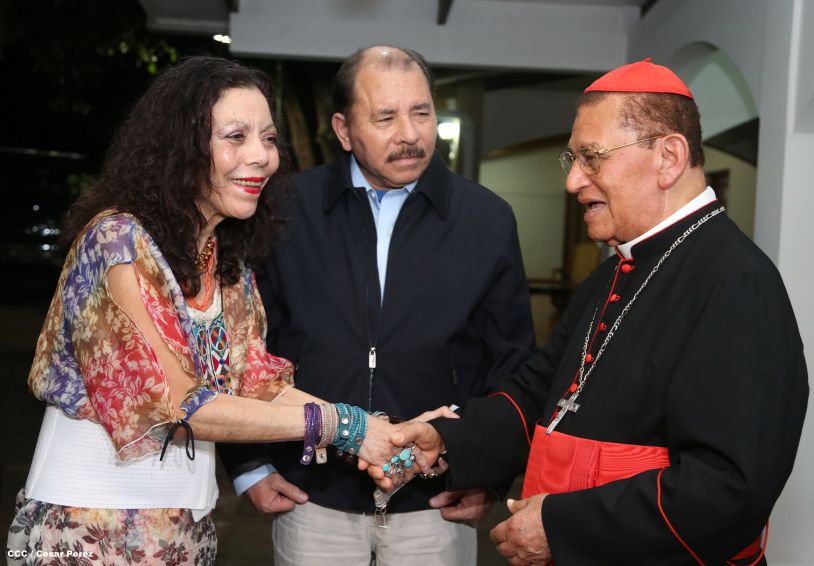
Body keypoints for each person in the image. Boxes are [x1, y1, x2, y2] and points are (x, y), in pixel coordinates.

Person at [374, 58, 809, 565]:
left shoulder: (737, 283)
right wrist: (448, 440)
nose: (573, 181)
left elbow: (729, 487)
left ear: (668, 157)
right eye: (572, 159)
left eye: (591, 157)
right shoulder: (613, 273)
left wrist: (560, 526)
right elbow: (540, 393)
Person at [6, 56, 403, 565]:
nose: (261, 156)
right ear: (181, 148)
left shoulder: (222, 257)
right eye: (235, 136)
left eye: (268, 138)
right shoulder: (118, 242)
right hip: (89, 526)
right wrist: (343, 425)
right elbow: (178, 406)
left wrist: (378, 431)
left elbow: (258, 381)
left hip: (183, 526)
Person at [218, 45, 536, 565]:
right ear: (344, 130)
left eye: (422, 113)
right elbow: (242, 348)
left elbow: (514, 364)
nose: (409, 134)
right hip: (310, 498)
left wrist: (484, 471)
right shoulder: (282, 209)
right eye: (385, 117)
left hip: (433, 505)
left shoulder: (488, 220)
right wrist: (250, 465)